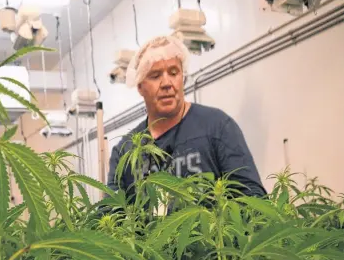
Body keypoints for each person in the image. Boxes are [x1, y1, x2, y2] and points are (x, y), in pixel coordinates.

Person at [107, 35, 266, 201]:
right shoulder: (125, 150)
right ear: (140, 86)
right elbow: (110, 212)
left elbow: (253, 198)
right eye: (155, 76)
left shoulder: (217, 127)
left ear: (182, 78)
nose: (167, 83)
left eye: (174, 73)